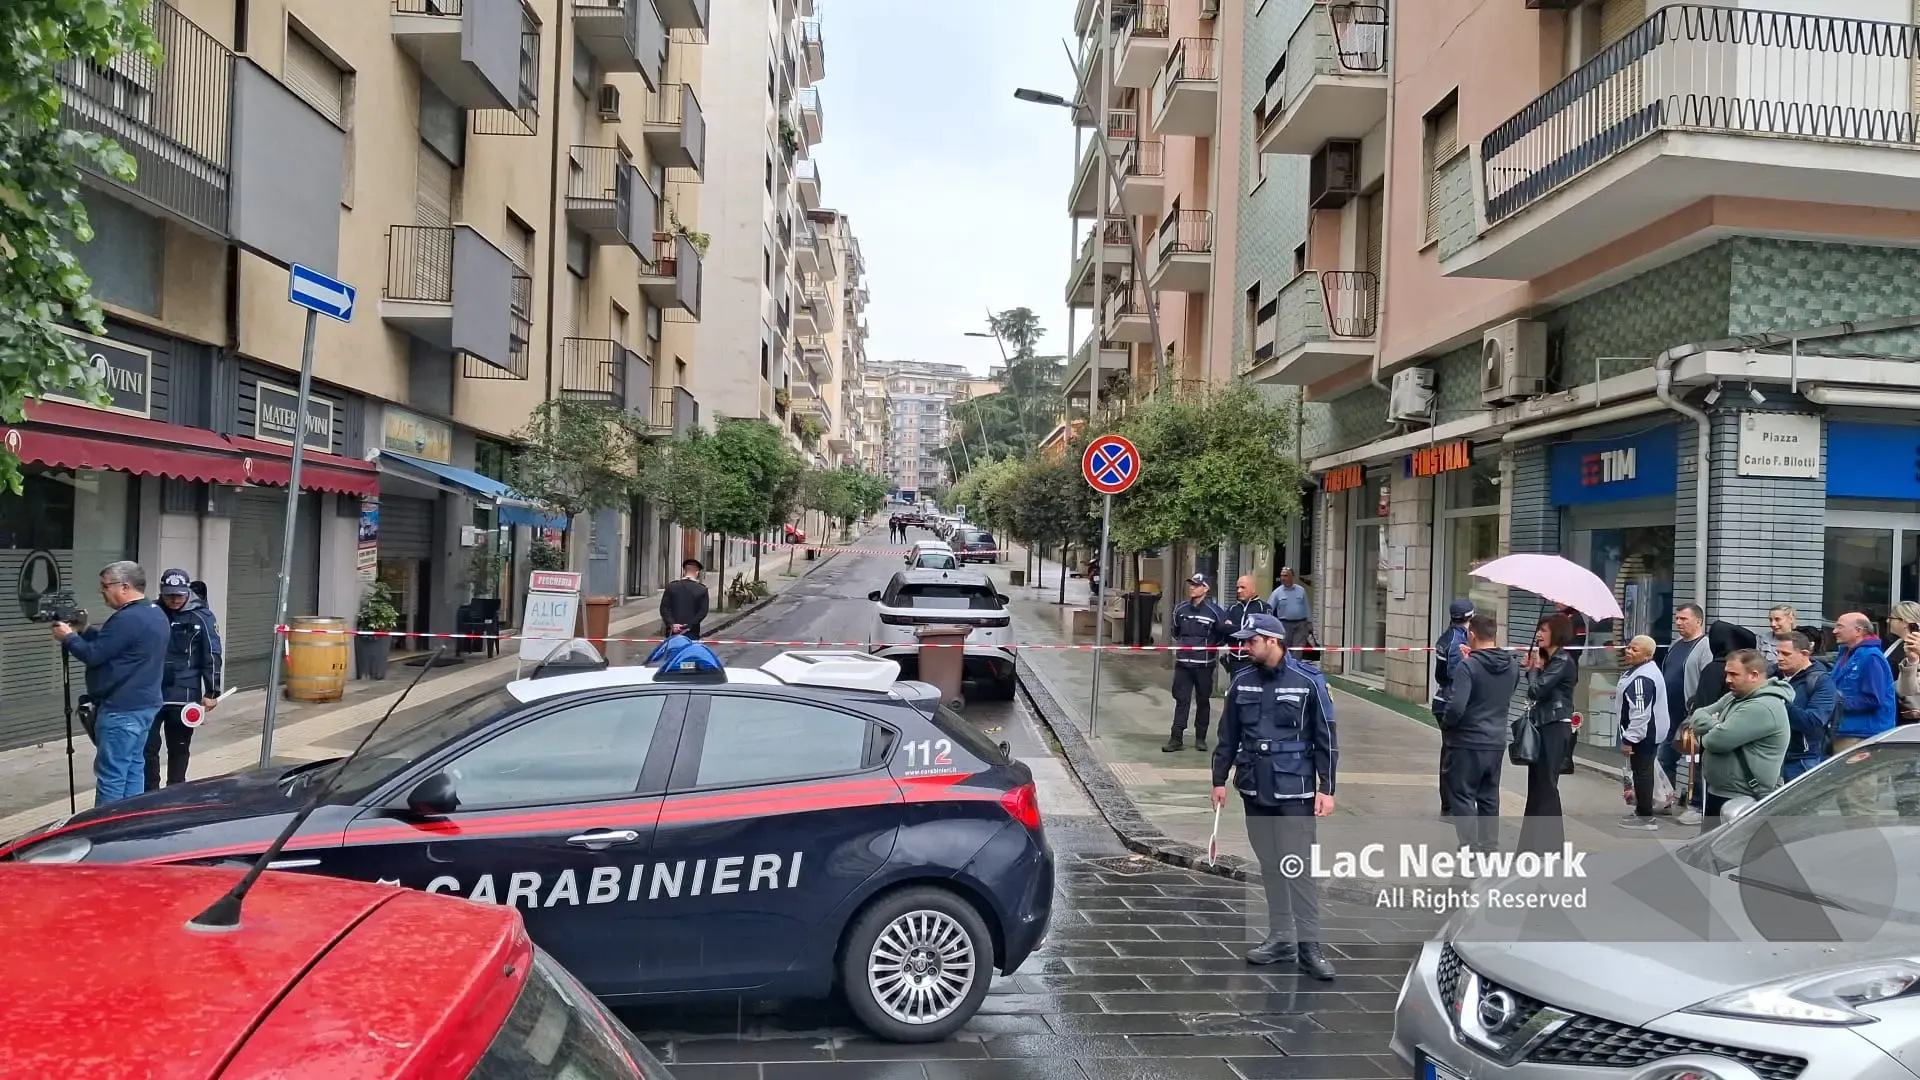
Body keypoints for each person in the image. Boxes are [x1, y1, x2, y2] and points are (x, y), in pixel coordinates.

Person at [1210, 613, 1337, 980]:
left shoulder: (1308, 681)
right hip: (1254, 785)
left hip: (1294, 789)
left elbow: (1326, 737)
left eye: (1251, 641)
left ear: (1273, 640)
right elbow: (1228, 734)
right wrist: (1219, 779)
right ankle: (1280, 938)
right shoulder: (1242, 680)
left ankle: (1309, 947)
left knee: (1299, 869)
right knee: (1270, 865)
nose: (1244, 646)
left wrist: (1327, 788)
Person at [54, 561, 170, 804]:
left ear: (124, 587)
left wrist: (69, 638)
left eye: (105, 586)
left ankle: (106, 830)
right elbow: (112, 646)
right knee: (133, 767)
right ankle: (129, 822)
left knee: (112, 774)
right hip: (144, 704)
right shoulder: (153, 612)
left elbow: (94, 655)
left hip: (122, 709)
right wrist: (85, 630)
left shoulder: (127, 619)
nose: (102, 591)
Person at [1689, 649, 1791, 830]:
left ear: (1754, 675)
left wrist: (1712, 729)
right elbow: (1698, 715)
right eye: (1727, 673)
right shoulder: (1735, 696)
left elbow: (1715, 742)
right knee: (1708, 852)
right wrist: (1718, 724)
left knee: (1729, 855)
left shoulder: (1763, 706)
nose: (1727, 679)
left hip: (1743, 799)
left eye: (1734, 674)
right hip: (1721, 793)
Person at [1441, 612, 1517, 853]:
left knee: (1462, 797)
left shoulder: (1468, 666)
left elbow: (1456, 705)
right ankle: (1489, 849)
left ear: (1471, 635)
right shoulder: (1512, 665)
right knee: (1489, 797)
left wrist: (1447, 725)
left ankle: (1470, 850)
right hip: (1495, 741)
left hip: (1467, 741)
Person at [145, 569, 222, 791]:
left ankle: (175, 791)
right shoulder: (151, 612)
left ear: (187, 591)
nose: (174, 600)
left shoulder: (201, 616)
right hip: (151, 692)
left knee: (178, 747)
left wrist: (212, 692)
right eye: (169, 595)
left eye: (179, 595)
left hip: (184, 693)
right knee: (147, 748)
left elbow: (212, 655)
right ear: (161, 592)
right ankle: (149, 793)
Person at [1518, 615, 1577, 854]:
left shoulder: (1563, 660)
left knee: (1547, 785)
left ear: (1557, 633)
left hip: (1554, 726)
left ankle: (1550, 847)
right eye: (1538, 629)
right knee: (1537, 784)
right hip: (1543, 725)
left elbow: (1536, 690)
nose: (1538, 634)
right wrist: (1536, 669)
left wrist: (1533, 671)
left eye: (1543, 630)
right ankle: (1532, 845)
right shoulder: (1552, 660)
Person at [1658, 603, 1710, 821]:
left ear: (1698, 621)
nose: (1678, 622)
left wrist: (1698, 709)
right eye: (1677, 618)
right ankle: (1663, 800)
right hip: (1669, 712)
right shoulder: (1676, 644)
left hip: (1690, 714)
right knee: (1665, 757)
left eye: (1684, 619)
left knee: (1696, 761)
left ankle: (1697, 806)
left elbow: (1706, 681)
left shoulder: (1704, 646)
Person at [1165, 573, 1227, 753]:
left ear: (1206, 588)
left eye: (1196, 585)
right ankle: (1176, 738)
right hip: (1183, 664)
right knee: (1181, 701)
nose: (1192, 587)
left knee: (1203, 700)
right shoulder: (1180, 610)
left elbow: (1222, 635)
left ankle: (1201, 738)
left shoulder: (1215, 612)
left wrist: (1206, 648)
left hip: (1204, 666)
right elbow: (1176, 632)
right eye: (1191, 584)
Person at [1615, 635, 1669, 832]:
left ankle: (1646, 816)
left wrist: (1629, 739)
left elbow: (1640, 714)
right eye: (1629, 647)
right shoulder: (1638, 671)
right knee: (1642, 772)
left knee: (1642, 774)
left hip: (1645, 734)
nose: (1628, 651)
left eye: (1634, 650)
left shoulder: (1642, 678)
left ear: (1647, 655)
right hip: (1645, 732)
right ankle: (1642, 811)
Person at [1431, 599, 1474, 825]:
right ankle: (1450, 807)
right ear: (1470, 616)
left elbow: (1440, 675)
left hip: (1442, 701)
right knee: (1454, 756)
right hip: (1451, 703)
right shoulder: (1460, 641)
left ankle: (1450, 805)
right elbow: (1458, 676)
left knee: (1450, 753)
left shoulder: (1445, 638)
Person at [1830, 611, 1896, 753]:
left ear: (1858, 631)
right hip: (1846, 731)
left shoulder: (1871, 657)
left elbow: (1873, 699)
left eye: (1840, 627)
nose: (1834, 631)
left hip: (1863, 735)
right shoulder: (1846, 653)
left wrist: (1834, 704)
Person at [1774, 630, 1835, 782]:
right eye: (1778, 652)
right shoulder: (1774, 675)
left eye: (1786, 654)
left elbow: (1813, 721)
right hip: (1774, 756)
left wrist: (1781, 703)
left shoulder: (1821, 681)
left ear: (1804, 654)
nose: (1779, 658)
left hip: (1802, 759)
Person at [1219, 575, 1273, 680]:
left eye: (1243, 587)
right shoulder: (1232, 608)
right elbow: (1223, 629)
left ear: (1253, 589)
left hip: (1253, 661)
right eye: (1237, 587)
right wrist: (1246, 629)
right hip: (1234, 660)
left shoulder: (1263, 608)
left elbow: (1263, 632)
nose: (1239, 590)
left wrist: (1234, 628)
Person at [1884, 601, 1920, 724]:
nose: (1888, 621)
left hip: (1910, 713)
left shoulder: (1913, 647)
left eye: (1891, 618)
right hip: (1896, 707)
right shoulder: (1896, 643)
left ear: (1904, 622)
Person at [660, 559, 710, 640]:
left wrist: (672, 624)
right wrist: (688, 626)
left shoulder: (671, 586)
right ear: (697, 572)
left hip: (672, 632)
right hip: (691, 633)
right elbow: (703, 612)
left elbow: (664, 608)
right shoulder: (702, 589)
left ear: (684, 571)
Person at [1268, 567, 1312, 649]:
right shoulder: (1277, 592)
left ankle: (1295, 662)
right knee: (1284, 649)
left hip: (1300, 625)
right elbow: (1269, 609)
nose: (1283, 578)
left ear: (1292, 577)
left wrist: (1309, 623)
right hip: (1284, 625)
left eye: (1286, 576)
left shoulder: (1301, 590)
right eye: (1281, 576)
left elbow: (1307, 606)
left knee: (1298, 649)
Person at [1761, 605, 1797, 672]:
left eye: (1777, 619)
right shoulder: (1762, 640)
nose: (1773, 624)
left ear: (1790, 619)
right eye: (1770, 620)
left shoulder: (1801, 641)